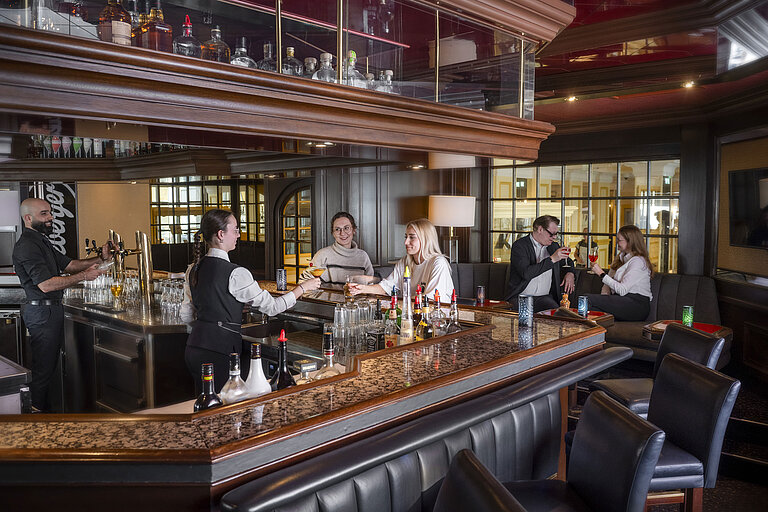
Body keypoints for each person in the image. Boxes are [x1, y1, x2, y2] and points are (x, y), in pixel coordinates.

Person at [181, 209, 320, 393]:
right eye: (236, 229)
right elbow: (273, 308)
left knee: (206, 405)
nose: (238, 235)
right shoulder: (237, 273)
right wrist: (302, 288)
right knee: (226, 409)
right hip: (220, 352)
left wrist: (214, 316)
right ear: (221, 234)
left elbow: (186, 315)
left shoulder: (193, 269)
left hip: (194, 348)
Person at [12, 197, 111, 412]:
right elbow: (46, 285)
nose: (51, 217)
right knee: (43, 372)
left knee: (47, 371)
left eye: (50, 212)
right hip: (42, 311)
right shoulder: (27, 246)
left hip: (49, 310)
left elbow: (70, 264)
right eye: (44, 214)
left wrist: (100, 260)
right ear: (28, 218)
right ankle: (37, 425)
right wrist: (85, 275)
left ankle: (45, 417)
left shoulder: (41, 240)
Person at [348, 218, 453, 301]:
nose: (406, 242)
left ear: (425, 239)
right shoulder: (405, 262)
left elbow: (429, 300)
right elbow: (386, 287)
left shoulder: (438, 263)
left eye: (412, 237)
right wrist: (361, 289)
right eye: (406, 237)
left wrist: (398, 303)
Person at [504, 215, 575, 312]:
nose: (554, 237)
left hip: (544, 298)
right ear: (540, 229)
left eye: (556, 234)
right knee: (524, 322)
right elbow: (526, 273)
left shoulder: (553, 246)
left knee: (558, 315)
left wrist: (570, 273)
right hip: (521, 297)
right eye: (551, 234)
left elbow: (568, 262)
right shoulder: (520, 246)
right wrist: (552, 259)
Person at [586, 224, 653, 321]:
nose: (617, 242)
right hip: (620, 301)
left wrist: (600, 273)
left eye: (619, 240)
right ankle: (592, 334)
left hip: (636, 305)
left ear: (630, 242)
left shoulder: (638, 261)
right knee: (589, 308)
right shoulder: (620, 258)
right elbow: (606, 287)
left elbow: (622, 290)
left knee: (586, 299)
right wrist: (604, 301)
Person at [299, 211, 373, 288]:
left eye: (346, 228)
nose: (342, 233)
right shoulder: (322, 255)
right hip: (327, 300)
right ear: (333, 233)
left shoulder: (363, 256)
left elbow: (371, 286)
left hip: (357, 300)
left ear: (353, 230)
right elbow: (303, 282)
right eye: (337, 229)